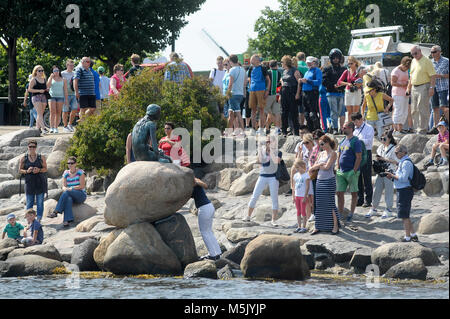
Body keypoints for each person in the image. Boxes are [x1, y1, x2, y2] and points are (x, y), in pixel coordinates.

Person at [243, 135, 282, 226]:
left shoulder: (278, 152)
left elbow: (277, 161)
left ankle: (273, 220)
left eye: (270, 142)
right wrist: (260, 149)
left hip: (273, 177)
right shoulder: (263, 151)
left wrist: (271, 151)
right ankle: (248, 216)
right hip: (263, 176)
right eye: (267, 142)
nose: (268, 143)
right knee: (255, 195)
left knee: (274, 198)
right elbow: (259, 160)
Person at [385, 145, 418, 242]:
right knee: (405, 214)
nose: (395, 154)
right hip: (403, 190)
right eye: (395, 152)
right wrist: (391, 177)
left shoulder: (406, 163)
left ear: (404, 152)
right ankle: (413, 234)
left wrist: (392, 175)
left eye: (397, 152)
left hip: (405, 191)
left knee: (404, 215)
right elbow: (400, 178)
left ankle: (407, 237)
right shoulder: (402, 162)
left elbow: (403, 178)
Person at [309, 135, 339, 235]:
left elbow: (327, 167)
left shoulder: (333, 153)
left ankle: (335, 225)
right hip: (319, 181)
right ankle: (318, 226)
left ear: (327, 143)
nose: (320, 146)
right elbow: (313, 167)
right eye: (319, 144)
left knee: (330, 203)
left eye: (322, 144)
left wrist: (318, 166)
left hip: (329, 180)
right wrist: (319, 165)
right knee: (319, 203)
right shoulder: (321, 154)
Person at [48, 156, 86, 227]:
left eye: (72, 163)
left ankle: (56, 211)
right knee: (68, 199)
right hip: (70, 193)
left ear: (75, 164)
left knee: (67, 192)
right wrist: (65, 188)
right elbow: (64, 186)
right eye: (68, 163)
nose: (70, 165)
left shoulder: (80, 172)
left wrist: (71, 188)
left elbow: (82, 186)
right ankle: (67, 220)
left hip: (80, 195)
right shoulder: (66, 173)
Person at [406, 46, 437, 134]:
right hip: (414, 87)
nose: (414, 55)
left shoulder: (427, 61)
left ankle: (422, 129)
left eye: (415, 53)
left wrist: (432, 87)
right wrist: (408, 87)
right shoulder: (413, 61)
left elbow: (433, 75)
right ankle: (416, 128)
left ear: (420, 51)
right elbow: (411, 76)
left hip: (424, 86)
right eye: (412, 54)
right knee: (414, 109)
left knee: (422, 108)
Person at [367, 130, 398, 218]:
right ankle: (373, 208)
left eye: (384, 139)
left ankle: (389, 209)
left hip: (389, 172)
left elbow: (396, 162)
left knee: (388, 191)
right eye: (381, 138)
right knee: (376, 190)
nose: (382, 140)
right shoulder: (380, 147)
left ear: (390, 139)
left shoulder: (394, 148)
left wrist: (384, 159)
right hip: (380, 171)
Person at [336, 122, 362, 222]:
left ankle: (351, 213)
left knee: (354, 193)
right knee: (339, 192)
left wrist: (354, 171)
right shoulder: (342, 141)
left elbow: (358, 157)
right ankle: (340, 212)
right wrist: (338, 168)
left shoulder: (356, 141)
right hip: (341, 172)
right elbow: (339, 155)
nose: (342, 129)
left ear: (351, 129)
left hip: (351, 171)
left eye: (344, 127)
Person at [192, 177, 222, 260]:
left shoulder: (193, 182)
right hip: (209, 206)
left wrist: (195, 182)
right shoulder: (195, 181)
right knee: (208, 231)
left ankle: (212, 255)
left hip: (204, 208)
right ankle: (218, 253)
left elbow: (205, 185)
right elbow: (205, 186)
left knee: (204, 231)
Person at [18, 140, 47, 222]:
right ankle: (29, 220)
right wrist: (27, 171)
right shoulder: (24, 158)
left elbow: (45, 169)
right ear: (28, 147)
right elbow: (20, 170)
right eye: (30, 146)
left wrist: (39, 170)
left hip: (39, 182)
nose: (32, 148)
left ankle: (39, 219)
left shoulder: (41, 157)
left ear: (36, 147)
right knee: (29, 202)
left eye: (33, 147)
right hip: (29, 183)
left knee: (40, 203)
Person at [352, 112, 374, 208]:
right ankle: (360, 199)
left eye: (356, 121)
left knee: (367, 177)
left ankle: (368, 200)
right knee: (358, 177)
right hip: (356, 154)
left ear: (361, 119)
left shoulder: (369, 127)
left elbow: (369, 141)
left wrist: (358, 141)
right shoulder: (354, 129)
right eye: (354, 122)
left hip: (366, 153)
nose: (355, 124)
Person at [322, 49, 347, 135]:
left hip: (341, 93)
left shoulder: (344, 69)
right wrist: (333, 85)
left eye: (337, 58)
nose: (336, 59)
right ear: (331, 58)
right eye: (334, 58)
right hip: (331, 93)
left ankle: (342, 129)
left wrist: (341, 85)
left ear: (340, 58)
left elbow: (347, 80)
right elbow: (324, 81)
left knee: (342, 112)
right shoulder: (327, 69)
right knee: (334, 112)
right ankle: (335, 128)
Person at [248, 55, 271, 134]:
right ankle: (253, 128)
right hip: (252, 90)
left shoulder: (263, 68)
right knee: (253, 109)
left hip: (261, 90)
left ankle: (261, 128)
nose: (251, 61)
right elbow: (249, 78)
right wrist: (250, 86)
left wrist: (267, 90)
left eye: (252, 59)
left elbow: (268, 80)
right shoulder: (251, 68)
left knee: (261, 110)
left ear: (257, 60)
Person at [280, 55, 301, 137]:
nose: (281, 64)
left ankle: (296, 131)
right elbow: (282, 81)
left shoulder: (295, 70)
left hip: (292, 92)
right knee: (284, 112)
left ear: (286, 62)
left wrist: (297, 93)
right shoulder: (284, 71)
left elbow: (299, 82)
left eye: (282, 62)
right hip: (284, 92)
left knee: (293, 113)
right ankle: (284, 130)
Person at [225, 54, 246, 136]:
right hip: (240, 94)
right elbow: (244, 83)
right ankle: (229, 131)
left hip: (233, 94)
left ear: (230, 61)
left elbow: (230, 84)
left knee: (237, 113)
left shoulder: (232, 70)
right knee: (231, 113)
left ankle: (243, 131)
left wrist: (227, 93)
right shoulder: (242, 69)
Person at [337, 56, 363, 122]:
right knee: (349, 111)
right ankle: (350, 126)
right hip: (348, 91)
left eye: (351, 63)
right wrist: (347, 83)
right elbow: (339, 81)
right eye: (349, 64)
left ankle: (356, 126)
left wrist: (358, 83)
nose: (350, 65)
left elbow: (362, 82)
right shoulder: (347, 71)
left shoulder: (359, 71)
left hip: (356, 91)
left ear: (355, 63)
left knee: (355, 111)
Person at [307, 129, 325, 222]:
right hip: (313, 173)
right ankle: (315, 213)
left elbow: (323, 161)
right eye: (314, 139)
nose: (316, 140)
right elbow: (310, 159)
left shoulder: (324, 148)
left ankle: (323, 213)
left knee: (322, 195)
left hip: (321, 173)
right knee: (315, 194)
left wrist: (314, 167)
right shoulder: (314, 148)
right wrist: (311, 167)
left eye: (317, 138)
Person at [300, 57, 322, 132]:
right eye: (307, 62)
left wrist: (308, 81)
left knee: (313, 113)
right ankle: (310, 129)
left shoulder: (317, 71)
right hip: (305, 93)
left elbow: (319, 82)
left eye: (310, 62)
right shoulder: (307, 72)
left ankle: (317, 129)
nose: (308, 64)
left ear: (313, 62)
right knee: (306, 113)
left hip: (312, 93)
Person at [391, 57, 412, 133]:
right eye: (406, 67)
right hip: (397, 93)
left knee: (404, 111)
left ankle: (400, 127)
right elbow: (392, 83)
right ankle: (396, 128)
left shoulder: (406, 70)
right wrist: (403, 84)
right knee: (398, 110)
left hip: (405, 93)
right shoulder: (396, 71)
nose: (407, 69)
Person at [291, 159, 312, 233]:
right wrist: (293, 196)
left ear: (302, 166)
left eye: (298, 167)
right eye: (296, 167)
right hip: (297, 196)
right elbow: (293, 186)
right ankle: (299, 226)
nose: (297, 169)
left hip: (303, 196)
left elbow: (307, 187)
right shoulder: (296, 175)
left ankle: (304, 227)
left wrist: (305, 196)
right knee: (298, 211)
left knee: (303, 211)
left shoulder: (306, 175)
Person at [74, 57, 96, 122]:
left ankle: (82, 119)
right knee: (83, 109)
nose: (89, 63)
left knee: (93, 109)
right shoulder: (79, 69)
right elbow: (75, 81)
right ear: (82, 62)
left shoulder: (89, 70)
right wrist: (76, 92)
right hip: (83, 93)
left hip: (91, 93)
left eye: (90, 62)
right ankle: (83, 123)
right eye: (87, 62)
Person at [430, 45, 449, 124]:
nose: (432, 54)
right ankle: (435, 127)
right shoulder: (430, 62)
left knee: (444, 107)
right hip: (433, 87)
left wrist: (440, 76)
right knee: (435, 108)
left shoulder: (446, 61)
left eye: (434, 52)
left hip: (443, 87)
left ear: (439, 52)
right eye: (431, 52)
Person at [28, 65, 49, 134]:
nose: (41, 72)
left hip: (43, 97)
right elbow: (29, 89)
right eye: (39, 71)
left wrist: (47, 89)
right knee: (39, 113)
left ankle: (37, 128)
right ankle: (44, 128)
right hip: (36, 97)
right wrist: (39, 91)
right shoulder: (33, 79)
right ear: (36, 71)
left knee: (41, 114)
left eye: (42, 70)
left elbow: (46, 87)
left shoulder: (44, 79)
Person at [47, 65, 68, 134]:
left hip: (60, 97)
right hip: (52, 97)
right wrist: (50, 77)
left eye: (57, 70)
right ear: (52, 72)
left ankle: (56, 127)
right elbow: (48, 86)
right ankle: (51, 127)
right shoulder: (51, 78)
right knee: (52, 112)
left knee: (58, 113)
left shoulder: (63, 79)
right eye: (55, 71)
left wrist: (66, 99)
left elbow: (65, 90)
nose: (56, 72)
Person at [265, 60, 282, 135]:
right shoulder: (278, 73)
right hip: (276, 95)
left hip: (268, 95)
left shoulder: (268, 72)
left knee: (269, 112)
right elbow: (278, 84)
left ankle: (269, 127)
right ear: (276, 65)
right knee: (276, 113)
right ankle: (271, 127)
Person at [61, 59, 78, 132]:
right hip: (65, 94)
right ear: (67, 65)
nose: (72, 67)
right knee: (65, 110)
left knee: (74, 109)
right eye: (70, 65)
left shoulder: (75, 73)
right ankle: (65, 126)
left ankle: (70, 124)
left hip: (74, 94)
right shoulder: (62, 73)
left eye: (73, 65)